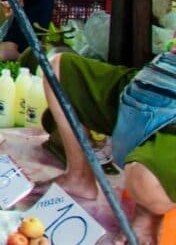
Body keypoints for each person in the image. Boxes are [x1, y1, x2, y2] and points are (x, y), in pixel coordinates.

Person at [38, 51, 176, 244]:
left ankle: (149, 213)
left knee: (146, 183)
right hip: (150, 85)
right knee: (58, 69)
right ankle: (78, 176)